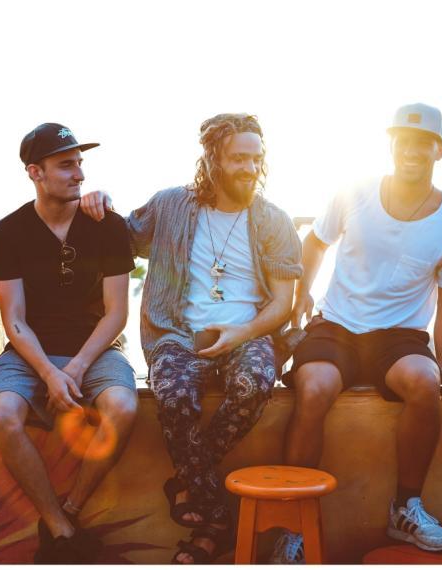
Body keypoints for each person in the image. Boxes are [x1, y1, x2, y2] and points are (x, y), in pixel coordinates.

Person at [81, 113, 302, 563]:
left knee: (255, 383)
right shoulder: (170, 206)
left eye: (256, 159)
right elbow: (120, 236)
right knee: (175, 395)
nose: (249, 168)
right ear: (213, 158)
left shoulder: (274, 221)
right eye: (238, 158)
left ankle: (187, 484)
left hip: (248, 333)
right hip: (176, 333)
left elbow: (283, 304)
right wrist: (99, 201)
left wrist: (242, 332)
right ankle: (217, 516)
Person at [274, 103, 442, 561]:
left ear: (439, 151)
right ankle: (292, 523)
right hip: (337, 325)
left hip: (399, 335)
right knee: (314, 386)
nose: (411, 150)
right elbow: (315, 242)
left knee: (424, 383)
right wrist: (303, 294)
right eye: (403, 140)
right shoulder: (355, 193)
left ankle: (405, 508)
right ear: (391, 144)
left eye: (423, 143)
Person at [0, 123, 138, 563]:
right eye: (66, 165)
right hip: (30, 351)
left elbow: (116, 313)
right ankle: (59, 527)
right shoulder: (7, 232)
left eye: (80, 164)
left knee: (124, 408)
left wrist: (75, 367)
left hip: (96, 348)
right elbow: (13, 319)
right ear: (35, 172)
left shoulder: (107, 226)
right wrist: (49, 373)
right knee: (2, 414)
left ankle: (70, 509)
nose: (80, 174)